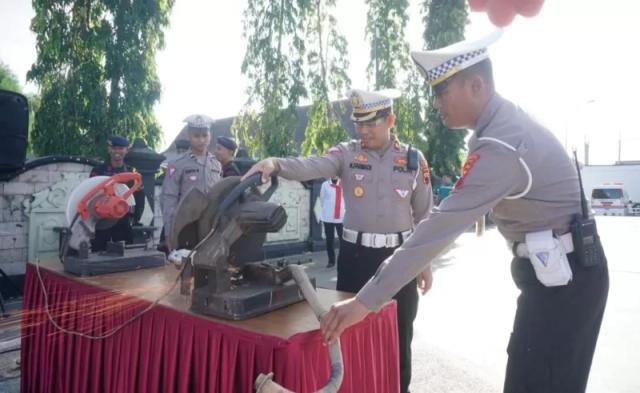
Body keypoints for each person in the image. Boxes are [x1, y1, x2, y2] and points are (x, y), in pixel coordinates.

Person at [320, 30, 609, 393]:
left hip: (565, 284)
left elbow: (438, 227)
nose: (436, 103)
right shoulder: (498, 129)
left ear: (475, 86)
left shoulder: (502, 146)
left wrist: (362, 303)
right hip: (554, 276)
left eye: (442, 92)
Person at [243, 89, 433, 393]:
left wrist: (424, 262)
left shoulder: (413, 160)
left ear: (390, 121)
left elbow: (425, 215)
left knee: (399, 336)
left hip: (400, 259)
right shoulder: (346, 153)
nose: (363, 130)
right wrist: (275, 163)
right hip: (355, 258)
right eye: (359, 123)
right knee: (349, 334)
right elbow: (311, 165)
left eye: (371, 123)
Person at [161, 114, 222, 251]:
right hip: (186, 225)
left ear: (210, 135)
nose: (201, 140)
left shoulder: (216, 165)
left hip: (211, 225)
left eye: (204, 135)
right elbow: (169, 200)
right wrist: (170, 233)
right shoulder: (177, 165)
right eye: (196, 136)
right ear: (189, 136)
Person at [89, 135, 146, 252]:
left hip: (123, 219)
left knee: (125, 253)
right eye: (114, 148)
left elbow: (140, 197)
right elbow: (91, 194)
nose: (117, 151)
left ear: (126, 150)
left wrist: (136, 219)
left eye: (121, 148)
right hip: (101, 220)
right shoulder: (98, 170)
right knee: (98, 252)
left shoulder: (132, 172)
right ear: (109, 149)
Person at [319, 177, 345, 268]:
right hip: (328, 217)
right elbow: (322, 199)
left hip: (341, 217)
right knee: (329, 240)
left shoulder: (343, 184)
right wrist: (329, 208)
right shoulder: (325, 185)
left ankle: (342, 260)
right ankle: (331, 261)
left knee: (343, 240)